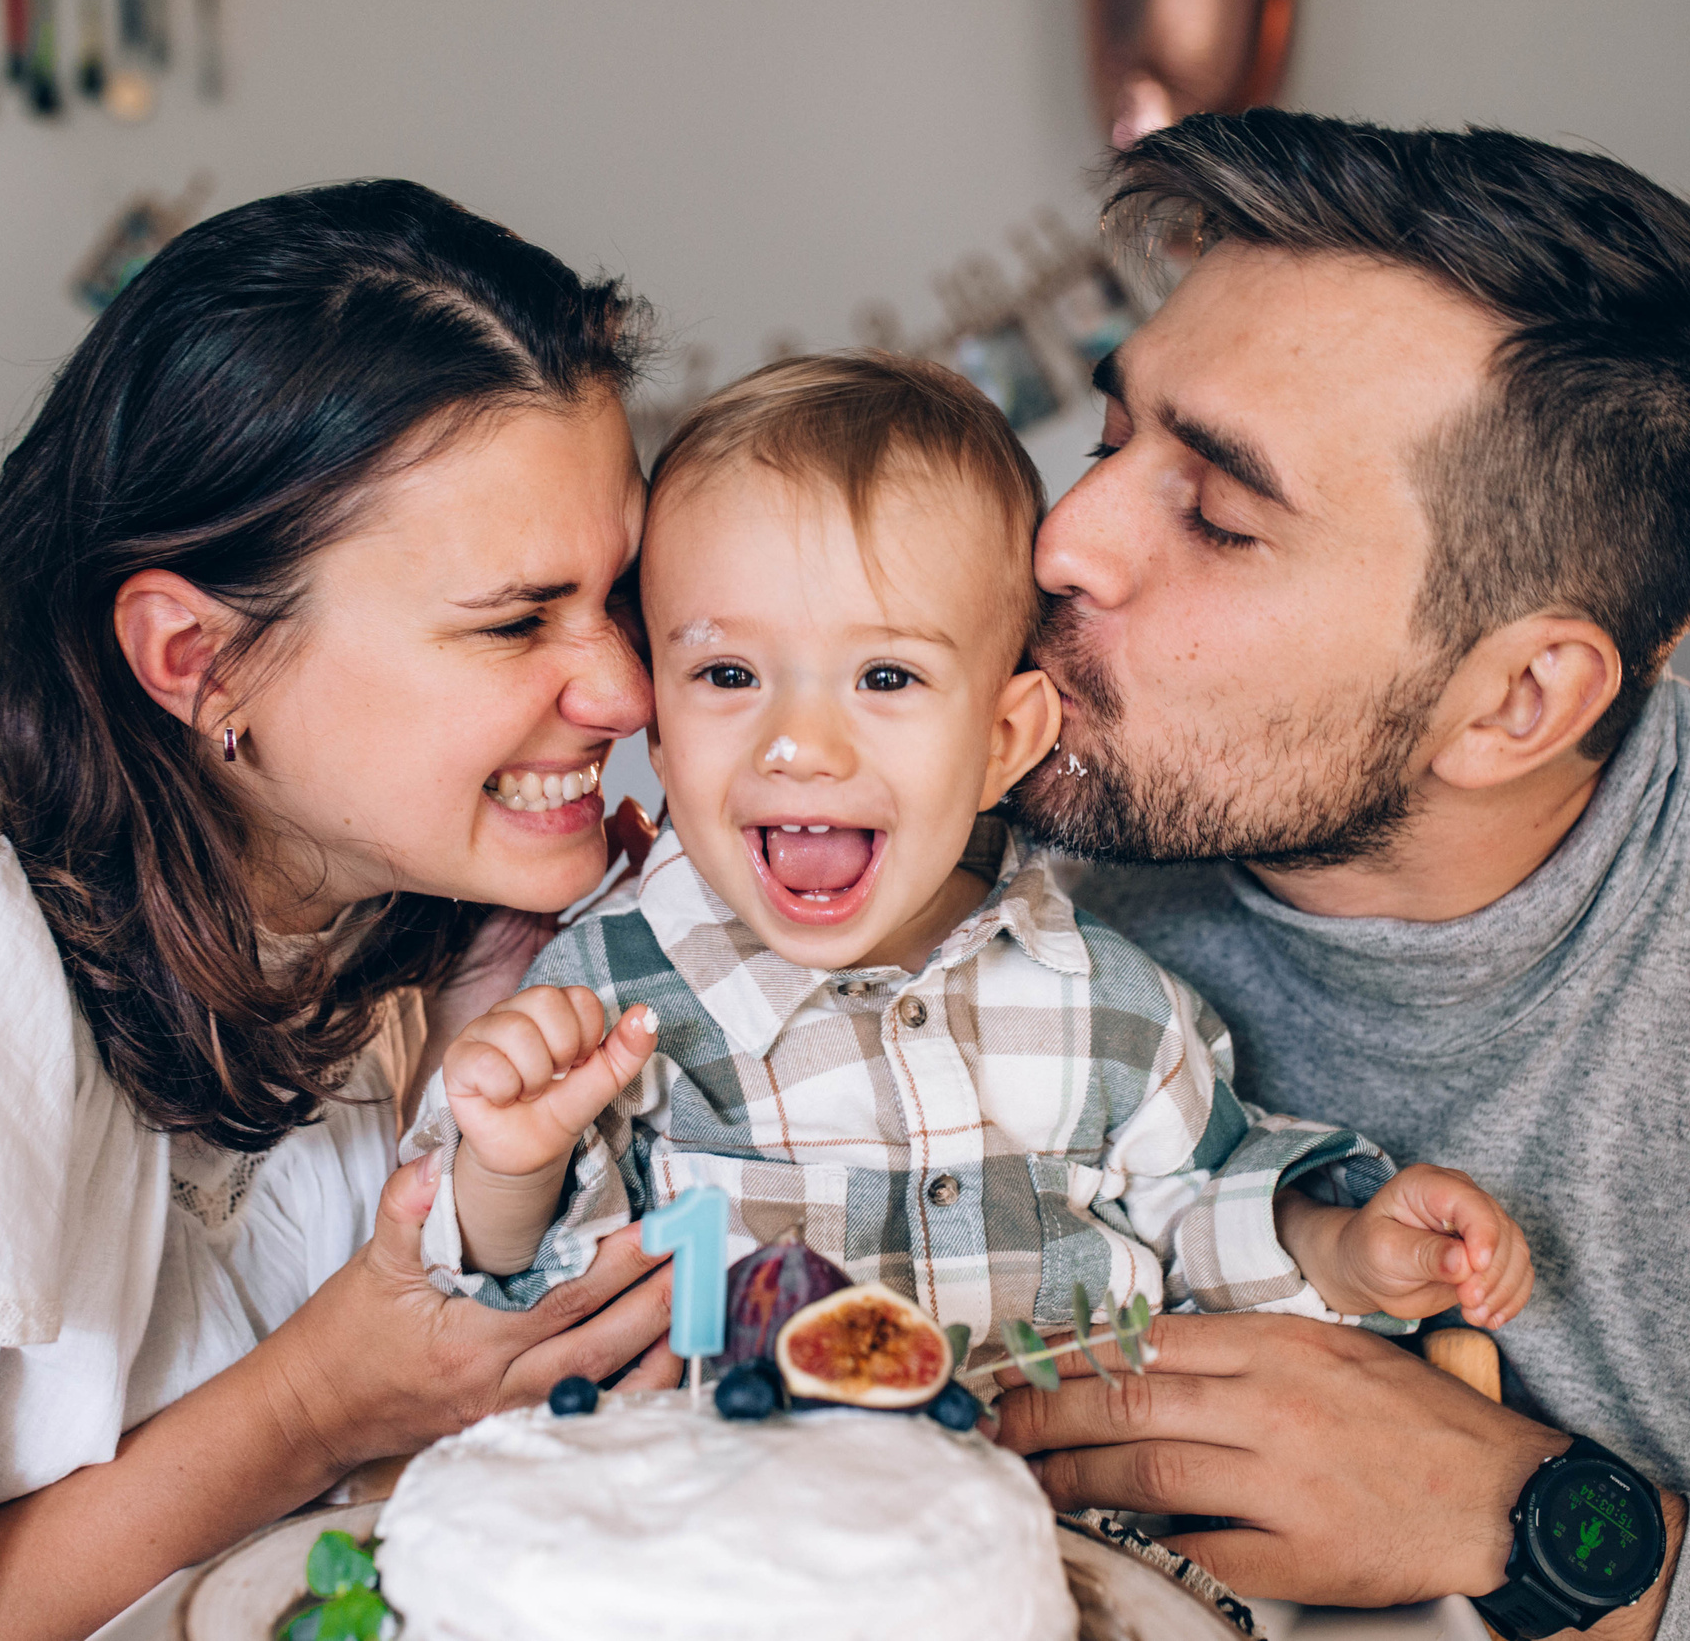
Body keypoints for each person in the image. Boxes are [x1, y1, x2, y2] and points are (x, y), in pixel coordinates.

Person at [989, 109, 1690, 1639]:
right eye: (1115, 437)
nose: (1065, 541)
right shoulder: (995, 841)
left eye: (1220, 514)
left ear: (1517, 702)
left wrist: (1535, 1521)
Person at [0, 181, 684, 1641]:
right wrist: (319, 1398)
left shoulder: (391, 909)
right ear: (196, 657)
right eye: (515, 619)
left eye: (621, 594)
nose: (625, 692)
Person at [413, 352, 1534, 1364]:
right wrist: (509, 1167)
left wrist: (1343, 1249)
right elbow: (511, 1281)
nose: (799, 745)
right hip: (747, 1546)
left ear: (1004, 741)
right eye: (728, 676)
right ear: (659, 730)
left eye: (886, 678)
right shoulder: (603, 1005)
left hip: (1064, 1553)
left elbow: (1197, 1210)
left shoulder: (1108, 1006)